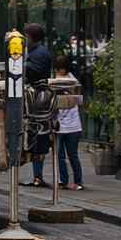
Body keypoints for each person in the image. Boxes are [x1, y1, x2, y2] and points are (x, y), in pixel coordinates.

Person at [24, 23, 53, 188]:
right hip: (35, 98)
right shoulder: (36, 51)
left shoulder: (40, 53)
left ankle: (38, 176)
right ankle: (36, 175)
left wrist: (20, 66)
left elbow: (33, 71)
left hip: (39, 99)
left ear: (30, 37)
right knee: (35, 135)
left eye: (25, 37)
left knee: (38, 136)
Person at [56, 76, 84, 191]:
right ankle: (77, 182)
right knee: (71, 156)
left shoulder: (58, 97)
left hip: (65, 129)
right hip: (72, 128)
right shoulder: (75, 98)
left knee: (62, 156)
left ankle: (65, 181)